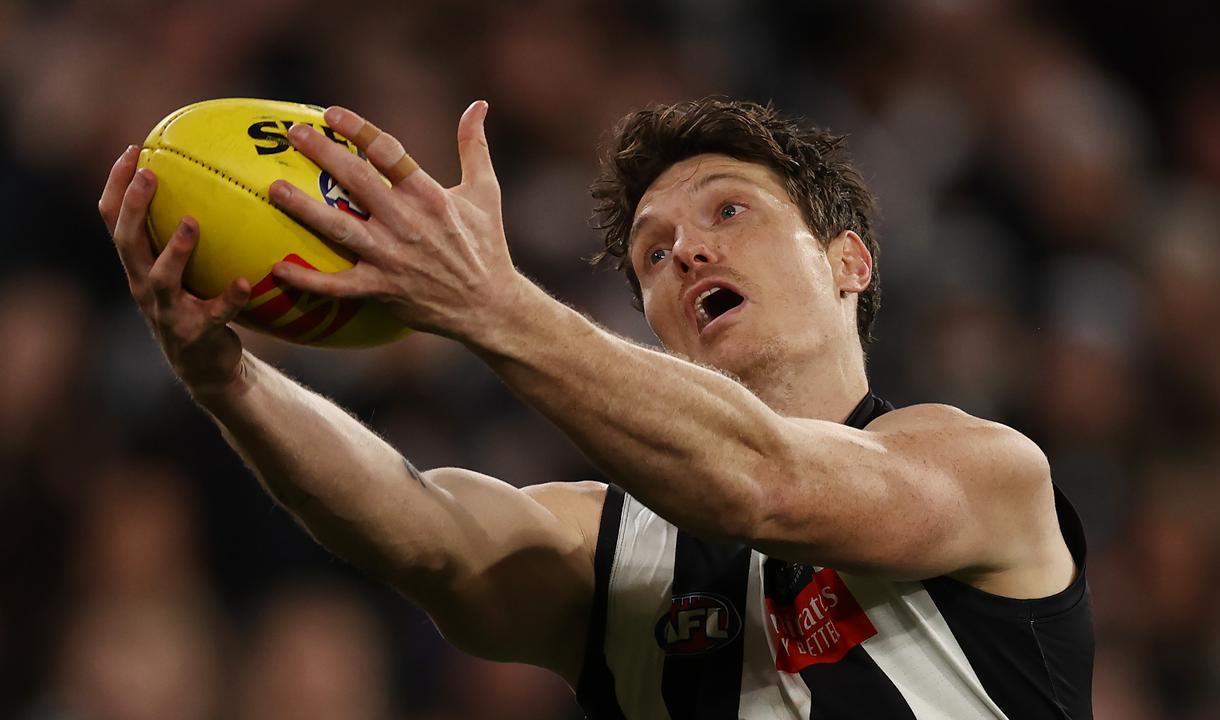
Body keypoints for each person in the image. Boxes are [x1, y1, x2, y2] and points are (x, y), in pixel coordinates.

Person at [98, 97, 1094, 718]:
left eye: (727, 211)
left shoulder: (984, 469)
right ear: (654, 326)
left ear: (849, 261)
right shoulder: (614, 553)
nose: (688, 251)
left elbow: (768, 483)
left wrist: (491, 305)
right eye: (652, 254)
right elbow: (420, 531)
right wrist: (226, 380)